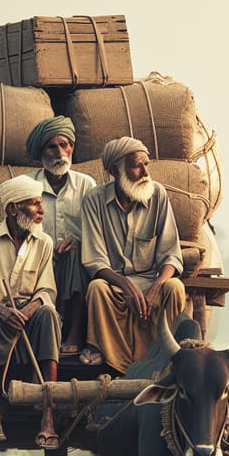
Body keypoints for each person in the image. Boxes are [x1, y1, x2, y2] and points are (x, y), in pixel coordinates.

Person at [0, 174, 61, 446]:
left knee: (49, 314)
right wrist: (2, 311)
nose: (41, 210)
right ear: (12, 209)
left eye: (41, 204)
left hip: (29, 316)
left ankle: (48, 414)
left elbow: (46, 291)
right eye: (34, 204)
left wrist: (28, 309)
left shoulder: (44, 243)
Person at [80, 136, 186, 372]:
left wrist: (158, 285)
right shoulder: (94, 200)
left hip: (150, 282)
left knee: (175, 288)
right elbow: (95, 260)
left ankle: (165, 356)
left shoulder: (157, 194)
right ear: (116, 171)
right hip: (114, 285)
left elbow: (171, 254)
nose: (145, 171)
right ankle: (115, 362)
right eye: (137, 165)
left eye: (146, 164)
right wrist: (126, 285)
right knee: (96, 289)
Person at [25, 116, 96, 356]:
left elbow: (96, 229)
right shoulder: (28, 185)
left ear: (72, 148)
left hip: (77, 262)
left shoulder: (86, 185)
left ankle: (73, 334)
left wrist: (77, 243)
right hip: (37, 260)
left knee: (75, 254)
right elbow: (20, 230)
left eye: (65, 145)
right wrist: (49, 250)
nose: (60, 153)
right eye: (52, 147)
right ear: (41, 153)